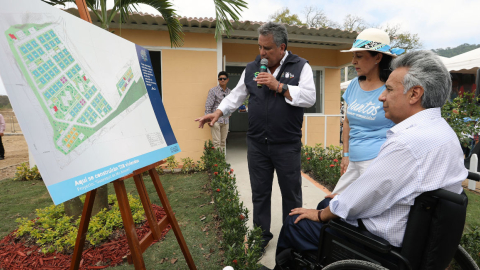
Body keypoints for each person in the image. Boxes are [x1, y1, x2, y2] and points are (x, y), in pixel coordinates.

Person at [274, 50, 467, 268]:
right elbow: (377, 190)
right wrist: (341, 201)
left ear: (415, 94)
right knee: (331, 202)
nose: (381, 96)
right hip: (419, 237)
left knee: (296, 222)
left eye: (390, 89)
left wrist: (322, 214)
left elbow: (364, 197)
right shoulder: (444, 133)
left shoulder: (408, 142)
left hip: (382, 246)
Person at [195, 22, 316, 251]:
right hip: (258, 145)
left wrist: (279, 86)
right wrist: (218, 111)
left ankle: (292, 239)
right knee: (260, 193)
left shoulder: (300, 66)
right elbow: (236, 97)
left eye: (267, 48)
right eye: (260, 47)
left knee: (291, 195)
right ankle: (261, 236)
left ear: (282, 47)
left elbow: (309, 98)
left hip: (287, 145)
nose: (262, 53)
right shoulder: (252, 68)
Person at [332, 28, 405, 195]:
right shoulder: (353, 86)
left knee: (361, 210)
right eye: (353, 56)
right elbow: (347, 121)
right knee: (333, 201)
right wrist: (346, 154)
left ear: (377, 57)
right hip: (353, 160)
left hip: (377, 161)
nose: (353, 62)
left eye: (359, 56)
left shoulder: (391, 89)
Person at [204, 71, 232, 153]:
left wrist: (229, 114)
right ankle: (218, 162)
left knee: (223, 142)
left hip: (225, 120)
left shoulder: (229, 92)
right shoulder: (213, 91)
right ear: (218, 80)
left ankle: (222, 161)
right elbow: (208, 106)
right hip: (215, 120)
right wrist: (209, 119)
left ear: (227, 80)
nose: (222, 80)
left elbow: (231, 105)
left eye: (224, 78)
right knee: (217, 142)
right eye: (220, 79)